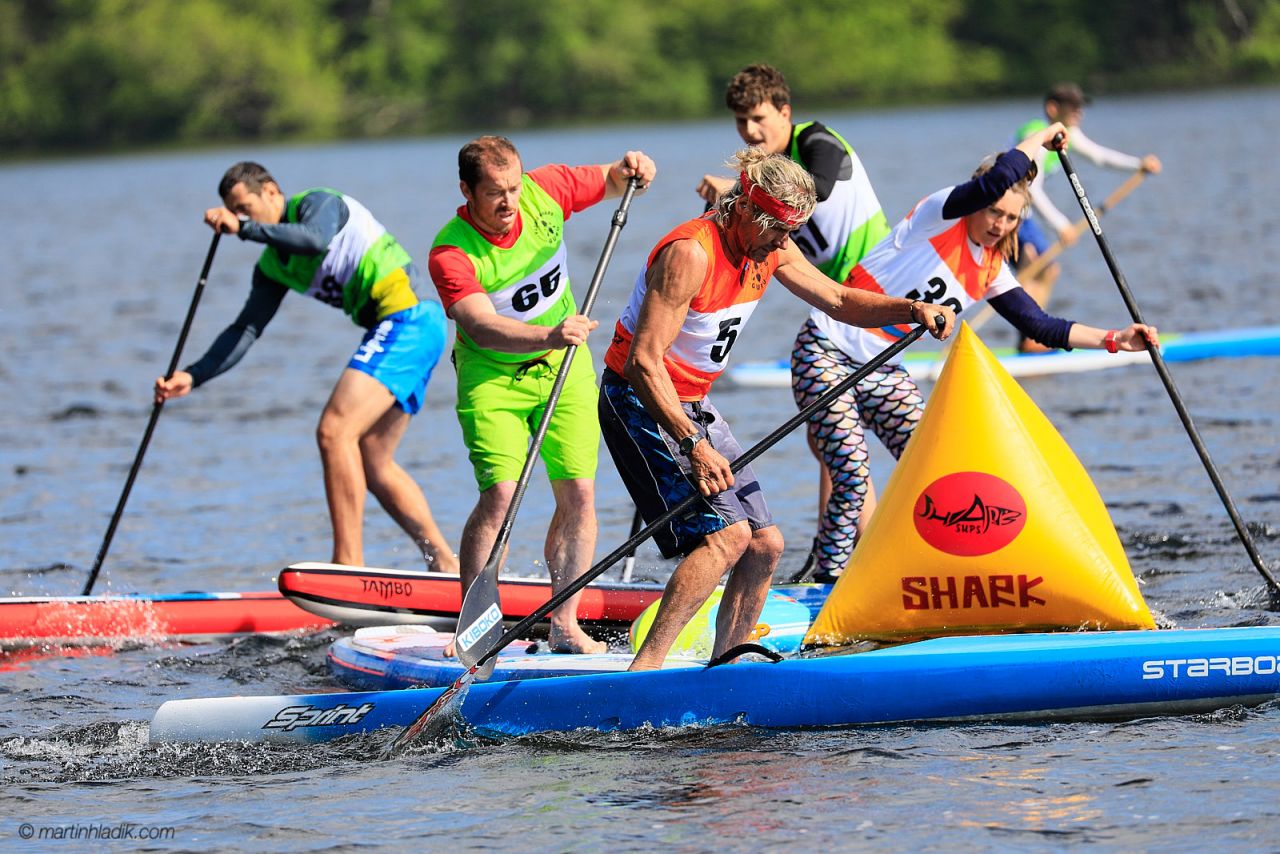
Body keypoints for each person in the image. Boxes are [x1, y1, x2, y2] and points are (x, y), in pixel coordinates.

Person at [598, 147, 956, 670]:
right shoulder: (690, 254)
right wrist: (693, 444)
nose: (785, 245)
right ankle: (644, 672)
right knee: (727, 536)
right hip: (640, 402)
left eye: (792, 233)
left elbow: (837, 300)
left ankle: (726, 668)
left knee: (766, 544)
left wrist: (912, 309)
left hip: (693, 400)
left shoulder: (770, 248)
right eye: (779, 231)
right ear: (746, 211)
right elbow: (643, 362)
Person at [791, 122, 1159, 584]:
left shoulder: (991, 270)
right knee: (850, 472)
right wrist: (1039, 141)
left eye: (1010, 218)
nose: (998, 224)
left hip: (884, 370)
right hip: (825, 349)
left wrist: (1115, 339)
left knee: (938, 472)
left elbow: (1040, 325)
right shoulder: (937, 215)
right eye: (992, 212)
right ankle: (827, 582)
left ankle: (943, 569)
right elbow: (990, 183)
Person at [155, 162, 458, 573]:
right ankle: (443, 562)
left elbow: (314, 241)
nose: (241, 218)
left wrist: (242, 229)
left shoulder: (317, 204)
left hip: (410, 320)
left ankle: (348, 565)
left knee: (334, 432)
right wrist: (194, 374)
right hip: (406, 331)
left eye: (245, 207)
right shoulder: (272, 267)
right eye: (234, 212)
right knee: (373, 459)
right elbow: (245, 329)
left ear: (272, 193)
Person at [428, 136, 657, 654]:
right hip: (492, 378)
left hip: (564, 366)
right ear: (467, 191)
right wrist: (550, 335)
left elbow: (617, 178)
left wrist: (634, 168)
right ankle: (476, 626)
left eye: (513, 187)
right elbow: (482, 327)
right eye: (494, 194)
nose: (509, 203)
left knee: (578, 494)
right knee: (501, 497)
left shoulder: (545, 190)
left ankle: (565, 623)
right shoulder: (451, 252)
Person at [696, 64, 895, 575]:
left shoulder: (817, 140)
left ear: (785, 112)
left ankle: (852, 557)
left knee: (833, 435)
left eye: (759, 119)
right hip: (839, 303)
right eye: (741, 123)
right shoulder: (771, 171)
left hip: (871, 297)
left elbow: (818, 190)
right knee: (827, 438)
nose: (750, 132)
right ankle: (861, 553)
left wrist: (739, 192)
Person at [1013, 83, 1162, 342]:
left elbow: (1099, 156)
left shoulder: (1064, 134)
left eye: (1080, 108)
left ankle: (1029, 338)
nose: (1078, 113)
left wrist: (1138, 165)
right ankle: (1031, 339)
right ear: (1052, 108)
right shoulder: (1035, 135)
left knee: (1048, 270)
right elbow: (1031, 190)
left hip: (1022, 213)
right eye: (1073, 108)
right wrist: (1061, 225)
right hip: (1002, 210)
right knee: (1031, 261)